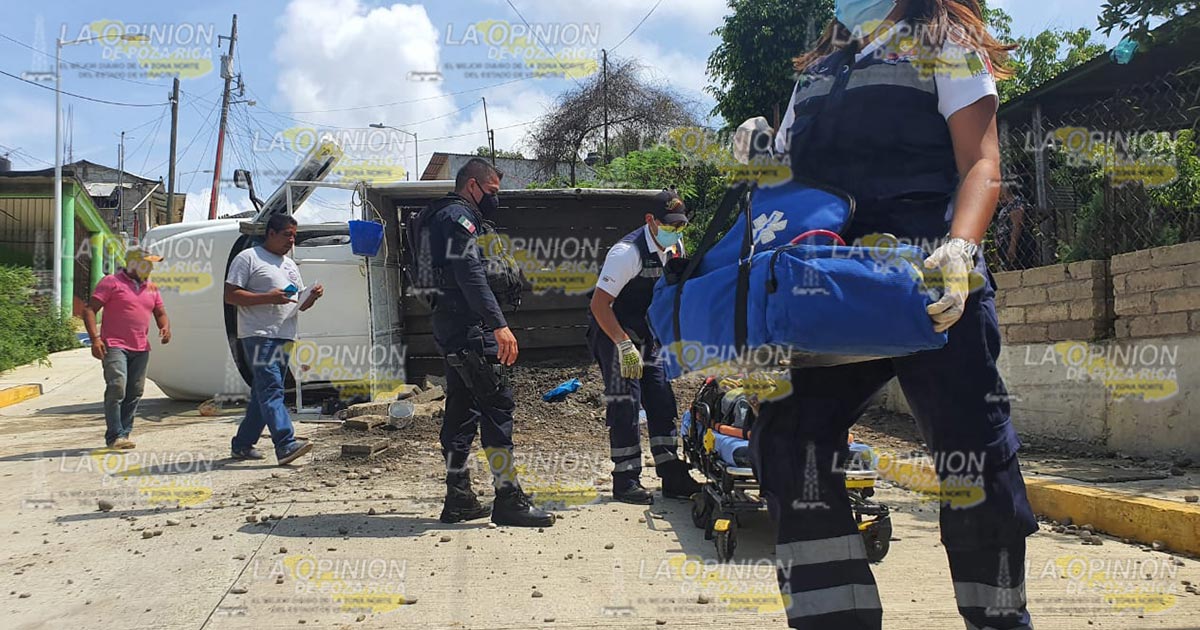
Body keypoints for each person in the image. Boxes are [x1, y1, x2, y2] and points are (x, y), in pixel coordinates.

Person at [734, 1, 1038, 628]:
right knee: (787, 440)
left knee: (973, 456)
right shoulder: (817, 69)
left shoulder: (947, 42)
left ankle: (999, 619)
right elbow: (791, 190)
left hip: (931, 283)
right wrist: (760, 155)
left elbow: (981, 162)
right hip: (832, 291)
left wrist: (962, 247)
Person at [415, 157, 554, 528]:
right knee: (497, 406)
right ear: (472, 185)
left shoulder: (437, 216)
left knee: (462, 410)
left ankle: (458, 498)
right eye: (492, 191)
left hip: (453, 327)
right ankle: (508, 499)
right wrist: (498, 325)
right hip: (471, 329)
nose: (496, 198)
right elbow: (470, 273)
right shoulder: (458, 218)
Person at [586, 190, 702, 504]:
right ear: (650, 221)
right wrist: (624, 345)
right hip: (614, 330)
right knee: (626, 402)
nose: (675, 231)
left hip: (648, 333)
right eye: (669, 225)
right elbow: (599, 305)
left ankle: (671, 474)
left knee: (661, 398)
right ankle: (625, 479)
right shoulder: (626, 253)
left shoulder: (675, 246)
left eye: (680, 225)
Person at [223, 214, 323, 466]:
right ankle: (285, 443)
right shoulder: (248, 258)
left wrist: (311, 296)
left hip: (284, 335)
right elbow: (230, 295)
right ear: (271, 233)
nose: (291, 240)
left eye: (294, 236)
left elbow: (299, 304)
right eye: (287, 234)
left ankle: (242, 445)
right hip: (259, 335)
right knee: (272, 389)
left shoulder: (289, 265)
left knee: (262, 393)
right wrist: (268, 297)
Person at [83, 248, 171, 449]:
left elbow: (160, 312)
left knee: (135, 391)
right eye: (146, 264)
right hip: (114, 345)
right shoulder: (111, 282)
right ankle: (115, 435)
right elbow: (89, 310)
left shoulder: (151, 287)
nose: (150, 268)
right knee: (117, 386)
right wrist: (95, 339)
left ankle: (124, 433)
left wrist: (165, 327)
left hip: (141, 347)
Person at [995, 178, 1039, 270]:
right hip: (1005, 244)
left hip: (1016, 243)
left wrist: (1012, 246)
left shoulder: (1017, 203)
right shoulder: (1007, 207)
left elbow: (1017, 225)